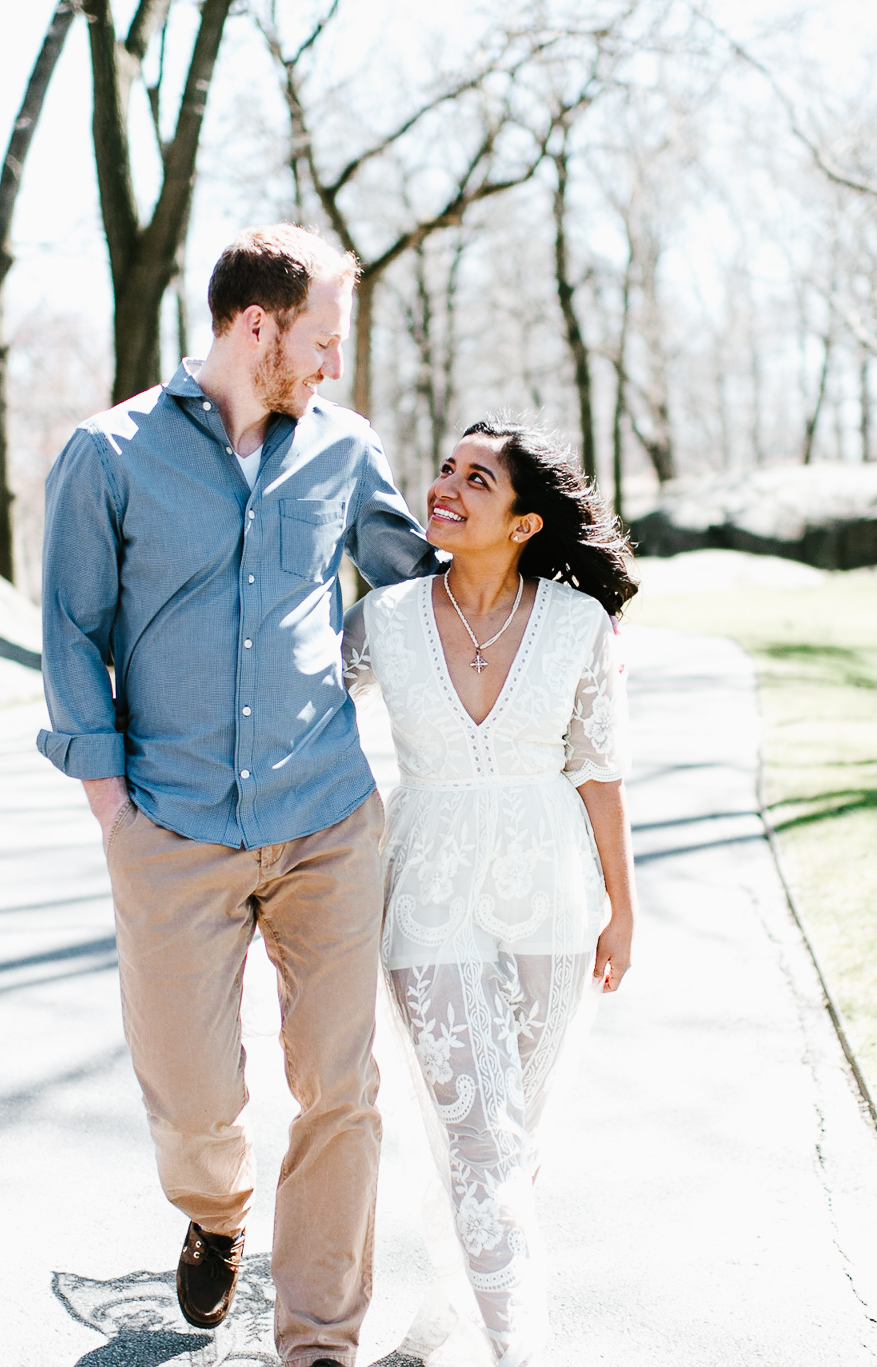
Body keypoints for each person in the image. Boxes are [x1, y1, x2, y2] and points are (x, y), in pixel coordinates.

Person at [37, 223, 440, 1367]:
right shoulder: (106, 453)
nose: (332, 363)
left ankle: (318, 1340)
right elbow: (71, 629)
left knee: (339, 1085)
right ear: (255, 326)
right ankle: (216, 1209)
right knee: (192, 1095)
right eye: (322, 338)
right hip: (171, 825)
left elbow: (415, 592)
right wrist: (112, 805)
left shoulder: (345, 448)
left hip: (325, 816)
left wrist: (543, 581)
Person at [341, 420, 638, 1367]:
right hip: (427, 896)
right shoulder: (381, 619)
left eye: (478, 479)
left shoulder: (579, 625)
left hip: (553, 897)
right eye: (444, 469)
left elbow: (600, 772)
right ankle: (522, 1346)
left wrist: (621, 909)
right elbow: (299, 723)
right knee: (481, 1136)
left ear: (523, 522)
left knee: (513, 1131)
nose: (447, 488)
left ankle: (456, 1296)